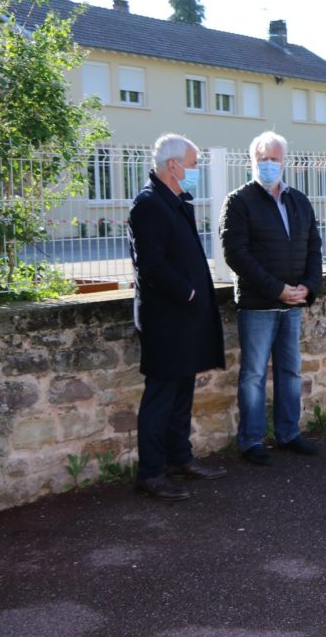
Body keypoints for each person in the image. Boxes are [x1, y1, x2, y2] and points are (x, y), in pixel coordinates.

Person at [129, 133, 227, 501]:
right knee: (160, 395)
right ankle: (151, 472)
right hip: (166, 319)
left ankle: (179, 459)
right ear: (173, 165)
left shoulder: (174, 200)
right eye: (194, 163)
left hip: (184, 317)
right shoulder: (149, 204)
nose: (196, 170)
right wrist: (188, 291)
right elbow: (150, 265)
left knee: (182, 390)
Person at [219, 131, 322, 465]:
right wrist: (276, 288)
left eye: (274, 158)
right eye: (263, 159)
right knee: (253, 375)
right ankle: (251, 441)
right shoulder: (238, 201)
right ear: (252, 161)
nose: (269, 164)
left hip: (292, 305)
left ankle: (288, 433)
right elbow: (236, 255)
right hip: (258, 304)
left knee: (290, 371)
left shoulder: (299, 201)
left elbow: (313, 247)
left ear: (285, 161)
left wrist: (308, 286)